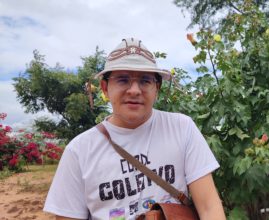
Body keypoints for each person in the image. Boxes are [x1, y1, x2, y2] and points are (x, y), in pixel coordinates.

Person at [43, 37, 226, 220]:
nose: (134, 90)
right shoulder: (79, 151)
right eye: (122, 80)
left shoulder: (182, 128)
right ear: (105, 88)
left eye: (145, 81)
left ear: (157, 88)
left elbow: (209, 208)